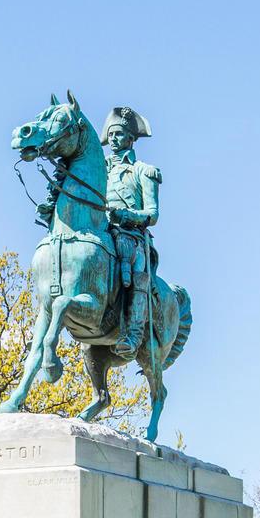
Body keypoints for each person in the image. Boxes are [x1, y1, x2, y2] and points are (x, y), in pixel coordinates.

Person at [100, 106, 160, 357]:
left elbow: (152, 214)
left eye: (119, 134)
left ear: (131, 139)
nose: (113, 140)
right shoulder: (100, 169)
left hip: (133, 236)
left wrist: (126, 215)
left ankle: (134, 333)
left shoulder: (143, 171)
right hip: (103, 230)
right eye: (111, 135)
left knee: (137, 271)